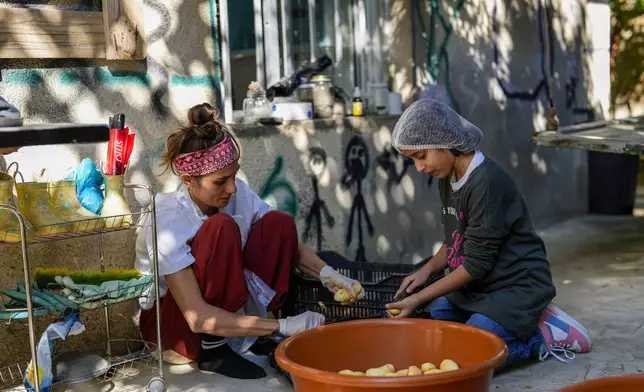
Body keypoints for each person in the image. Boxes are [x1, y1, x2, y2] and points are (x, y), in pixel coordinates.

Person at [135, 103, 365, 379]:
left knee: (279, 223)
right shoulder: (168, 219)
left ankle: (251, 334)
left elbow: (287, 243)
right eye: (220, 182)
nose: (231, 188)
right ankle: (215, 351)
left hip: (228, 316)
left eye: (233, 176)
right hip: (175, 332)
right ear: (188, 180)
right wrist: (282, 326)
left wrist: (329, 274)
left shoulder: (236, 193)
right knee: (221, 228)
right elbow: (195, 316)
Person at [385, 99, 591, 370]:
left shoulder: (485, 182)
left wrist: (418, 297)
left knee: (468, 359)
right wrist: (428, 269)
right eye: (413, 160)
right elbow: (457, 238)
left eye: (421, 156)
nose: (420, 167)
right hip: (479, 288)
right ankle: (511, 324)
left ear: (446, 141)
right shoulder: (447, 174)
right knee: (434, 326)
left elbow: (475, 265)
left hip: (515, 286)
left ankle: (544, 335)